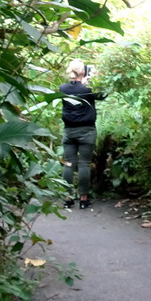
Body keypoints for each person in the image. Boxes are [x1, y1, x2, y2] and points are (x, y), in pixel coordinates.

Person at [60, 59, 106, 210]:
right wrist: (95, 80)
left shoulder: (63, 88)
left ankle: (67, 198)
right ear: (82, 72)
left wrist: (84, 84)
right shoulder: (87, 89)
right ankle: (84, 199)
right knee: (84, 164)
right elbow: (103, 95)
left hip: (69, 131)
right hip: (86, 131)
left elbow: (75, 91)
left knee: (69, 164)